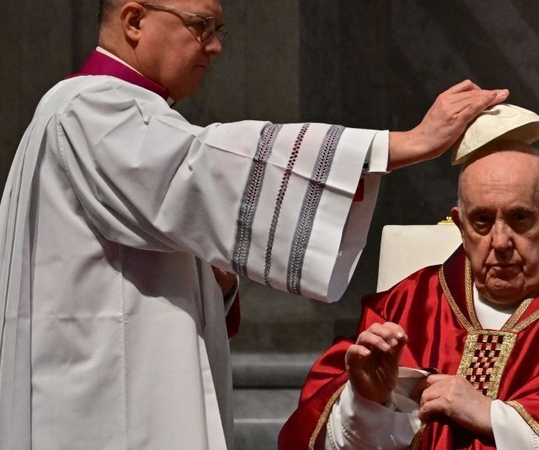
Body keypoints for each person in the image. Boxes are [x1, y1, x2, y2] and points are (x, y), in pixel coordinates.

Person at [0, 0, 509, 448]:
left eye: (220, 29)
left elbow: (174, 210)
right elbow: (205, 167)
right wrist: (405, 144)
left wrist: (214, 278)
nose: (215, 46)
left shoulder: (110, 114)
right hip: (109, 402)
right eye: (202, 25)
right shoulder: (90, 109)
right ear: (134, 20)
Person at [279, 140, 539, 449]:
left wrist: (492, 416)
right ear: (460, 224)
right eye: (482, 221)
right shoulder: (404, 306)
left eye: (520, 219)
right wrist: (367, 403)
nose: (500, 241)